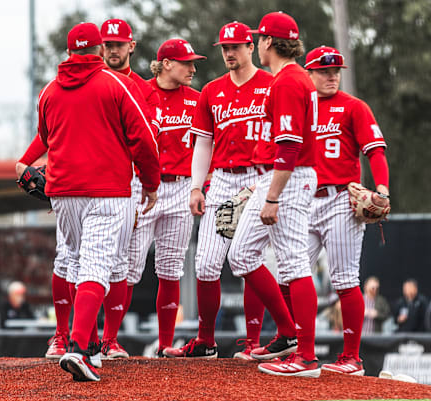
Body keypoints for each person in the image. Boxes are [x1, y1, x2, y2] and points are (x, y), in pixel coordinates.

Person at [39, 22, 160, 382]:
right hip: (107, 189)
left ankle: (88, 343)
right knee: (97, 266)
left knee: (75, 262)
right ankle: (79, 348)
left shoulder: (49, 91)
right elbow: (143, 139)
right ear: (97, 50)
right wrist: (151, 183)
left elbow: (46, 137)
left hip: (63, 192)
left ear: (68, 52)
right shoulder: (114, 84)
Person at [162, 22, 274, 360]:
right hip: (223, 179)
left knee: (252, 260)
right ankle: (206, 341)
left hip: (261, 176)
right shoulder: (212, 90)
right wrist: (197, 186)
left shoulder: (271, 85)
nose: (229, 53)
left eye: (236, 47)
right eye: (225, 47)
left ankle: (254, 342)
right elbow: (203, 142)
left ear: (250, 47)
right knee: (206, 263)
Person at [226, 12, 320, 377]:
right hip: (279, 177)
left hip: (289, 178)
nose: (258, 44)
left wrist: (272, 197)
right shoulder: (293, 79)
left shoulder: (288, 82)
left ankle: (307, 357)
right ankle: (287, 332)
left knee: (294, 263)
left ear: (267, 42)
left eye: (259, 39)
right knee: (242, 254)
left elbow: (289, 146)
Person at [300, 45, 391, 375]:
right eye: (324, 71)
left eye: (336, 70)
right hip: (304, 200)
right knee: (290, 276)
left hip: (341, 199)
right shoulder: (300, 106)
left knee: (344, 279)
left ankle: (351, 357)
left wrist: (381, 188)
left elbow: (376, 152)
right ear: (308, 74)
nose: (331, 75)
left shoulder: (353, 107)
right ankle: (298, 348)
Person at [114, 38, 205, 357]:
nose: (193, 69)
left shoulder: (197, 99)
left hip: (181, 187)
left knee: (171, 267)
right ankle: (110, 340)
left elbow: (207, 146)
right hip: (143, 186)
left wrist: (201, 183)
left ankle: (166, 344)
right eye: (187, 63)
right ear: (167, 63)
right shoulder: (140, 91)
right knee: (129, 266)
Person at [97, 18, 162, 360]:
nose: (112, 49)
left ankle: (109, 339)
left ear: (131, 46)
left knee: (121, 261)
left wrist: (149, 183)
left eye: (118, 44)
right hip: (93, 178)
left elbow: (146, 139)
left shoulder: (142, 87)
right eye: (107, 44)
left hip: (130, 179)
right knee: (79, 258)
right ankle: (67, 336)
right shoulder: (91, 81)